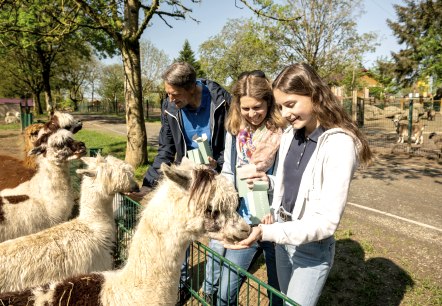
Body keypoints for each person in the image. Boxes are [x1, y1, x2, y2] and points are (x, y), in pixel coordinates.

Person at [226, 63, 373, 306]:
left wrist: (266, 232)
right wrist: (269, 182)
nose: (284, 114)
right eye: (281, 106)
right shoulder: (289, 136)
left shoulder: (339, 145)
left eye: (291, 104)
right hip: (284, 240)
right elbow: (294, 185)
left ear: (315, 95)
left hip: (310, 248)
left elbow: (326, 222)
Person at [130, 61, 231, 303]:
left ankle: (211, 289)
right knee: (179, 229)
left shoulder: (223, 102)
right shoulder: (170, 107)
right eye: (168, 93)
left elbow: (233, 144)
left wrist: (217, 162)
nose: (169, 98)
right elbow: (166, 149)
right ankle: (181, 285)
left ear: (191, 88)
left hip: (217, 173)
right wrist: (147, 185)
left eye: (174, 94)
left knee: (216, 231)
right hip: (186, 174)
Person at [201, 70, 286, 306]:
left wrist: (267, 183)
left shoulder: (283, 133)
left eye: (258, 107)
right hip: (245, 217)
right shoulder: (236, 130)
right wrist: (223, 195)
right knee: (226, 290)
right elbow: (229, 169)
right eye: (246, 108)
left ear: (269, 102)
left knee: (277, 288)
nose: (252, 114)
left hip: (274, 218)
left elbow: (288, 180)